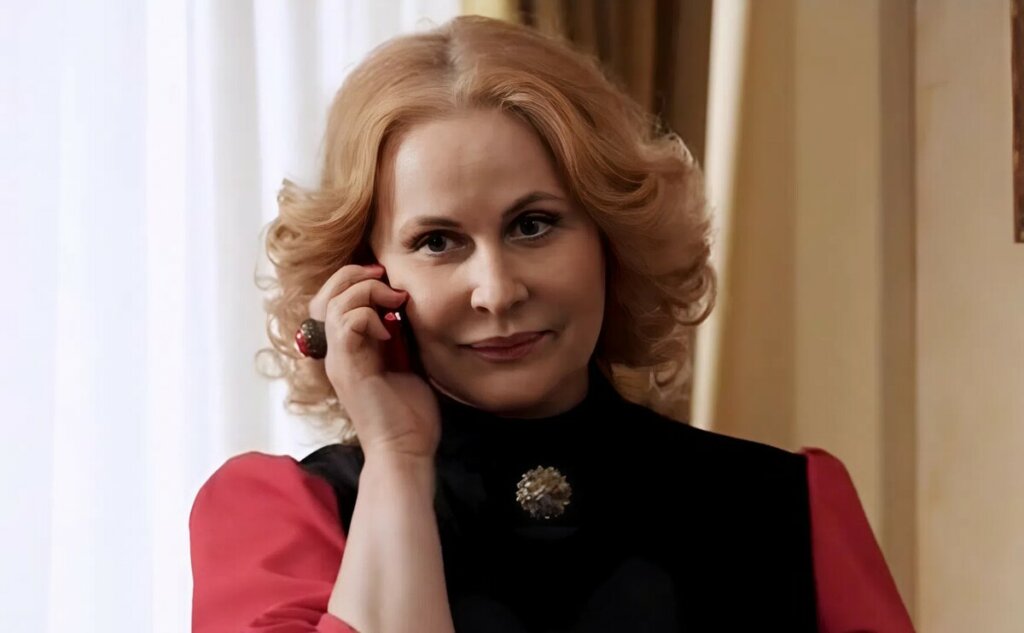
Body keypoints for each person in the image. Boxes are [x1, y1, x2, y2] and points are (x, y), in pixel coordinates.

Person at [189, 15, 915, 633]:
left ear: (610, 239)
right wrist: (397, 460)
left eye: (533, 225)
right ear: (363, 275)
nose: (498, 291)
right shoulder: (278, 521)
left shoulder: (788, 505)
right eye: (438, 241)